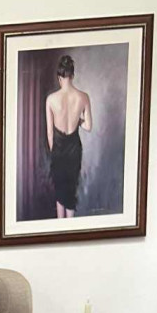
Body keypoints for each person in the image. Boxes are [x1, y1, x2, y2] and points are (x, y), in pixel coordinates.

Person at [45, 54, 92, 218]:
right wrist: (77, 120)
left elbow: (50, 133)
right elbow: (88, 126)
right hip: (74, 150)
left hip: (58, 151)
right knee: (70, 193)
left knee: (60, 193)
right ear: (72, 75)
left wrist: (55, 154)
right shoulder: (83, 97)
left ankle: (60, 228)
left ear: (59, 77)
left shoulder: (51, 99)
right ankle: (70, 229)